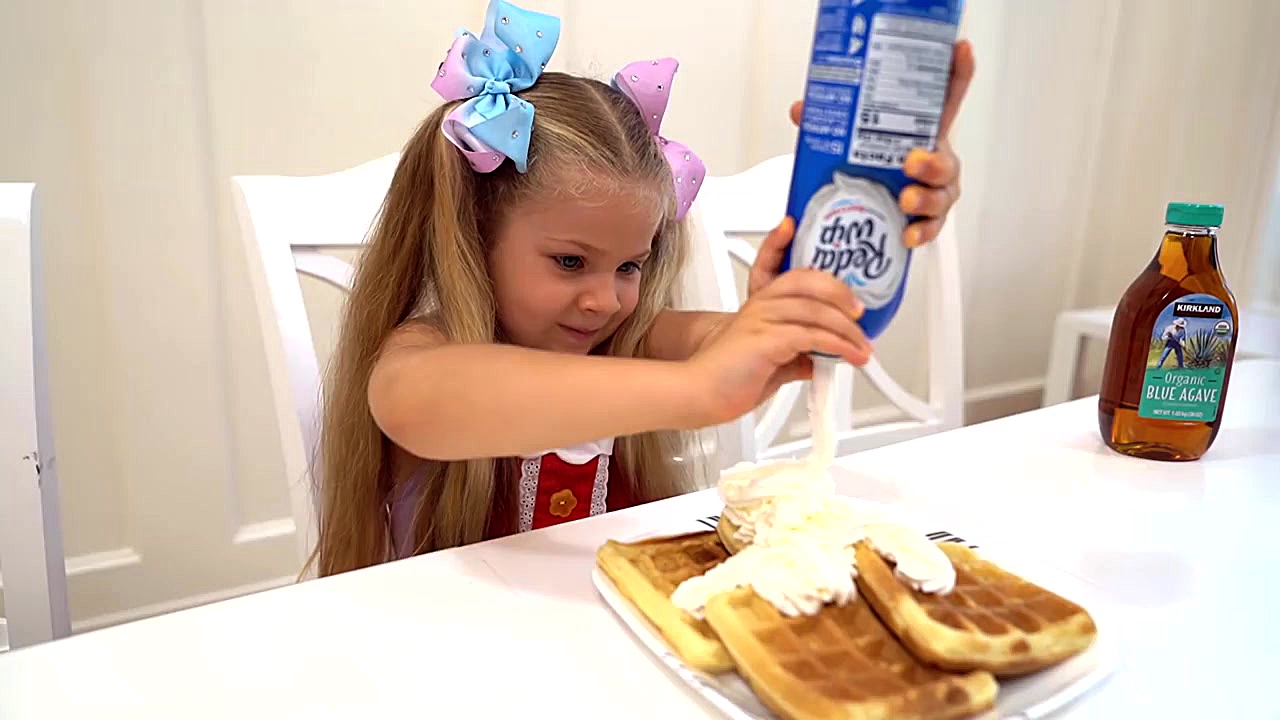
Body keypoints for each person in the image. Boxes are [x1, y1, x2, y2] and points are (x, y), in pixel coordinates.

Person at [310, 0, 972, 576]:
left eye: (630, 266)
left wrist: (861, 222)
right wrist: (700, 389)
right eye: (571, 262)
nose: (606, 300)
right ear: (472, 235)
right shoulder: (424, 357)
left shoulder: (625, 342)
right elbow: (417, 403)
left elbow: (731, 343)